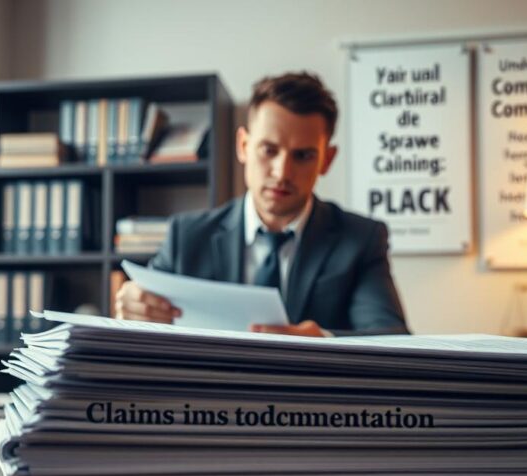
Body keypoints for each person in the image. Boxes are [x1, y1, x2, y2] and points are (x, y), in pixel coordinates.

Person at [115, 72, 409, 336]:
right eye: (269, 150)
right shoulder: (187, 236)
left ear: (326, 160)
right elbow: (142, 328)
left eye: (303, 155)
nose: (282, 173)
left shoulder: (360, 239)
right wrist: (131, 313)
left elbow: (392, 339)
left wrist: (324, 343)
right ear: (243, 146)